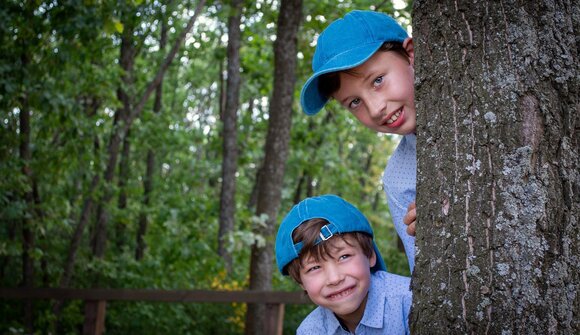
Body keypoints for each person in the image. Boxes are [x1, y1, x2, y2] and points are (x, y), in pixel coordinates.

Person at [300, 10, 417, 272]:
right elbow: (425, 270)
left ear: (411, 54)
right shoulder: (398, 181)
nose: (375, 109)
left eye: (377, 80)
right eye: (354, 102)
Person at [275, 194, 411, 334]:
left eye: (344, 257)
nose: (334, 279)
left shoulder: (409, 304)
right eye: (314, 267)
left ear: (370, 254)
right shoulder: (310, 331)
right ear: (300, 282)